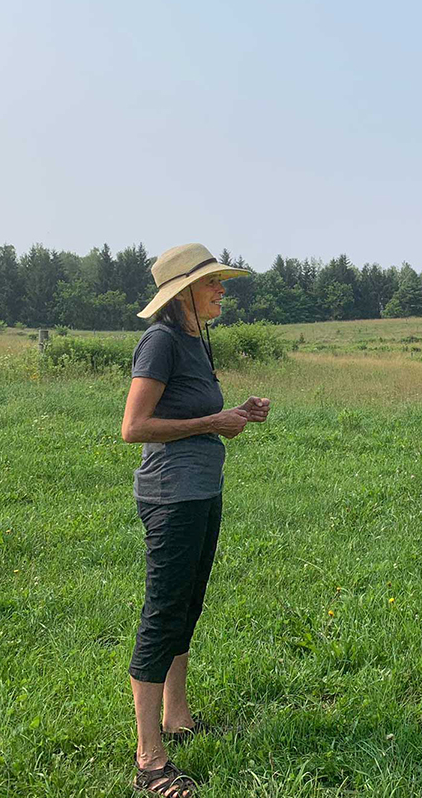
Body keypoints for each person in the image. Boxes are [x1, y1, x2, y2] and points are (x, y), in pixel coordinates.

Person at [121, 243, 271, 798]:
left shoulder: (194, 340)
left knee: (189, 604)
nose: (222, 289)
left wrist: (238, 414)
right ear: (184, 290)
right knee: (163, 613)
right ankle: (149, 760)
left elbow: (190, 413)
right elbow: (133, 427)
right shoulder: (160, 342)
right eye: (213, 282)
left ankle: (177, 719)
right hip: (171, 497)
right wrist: (215, 419)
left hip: (201, 490)